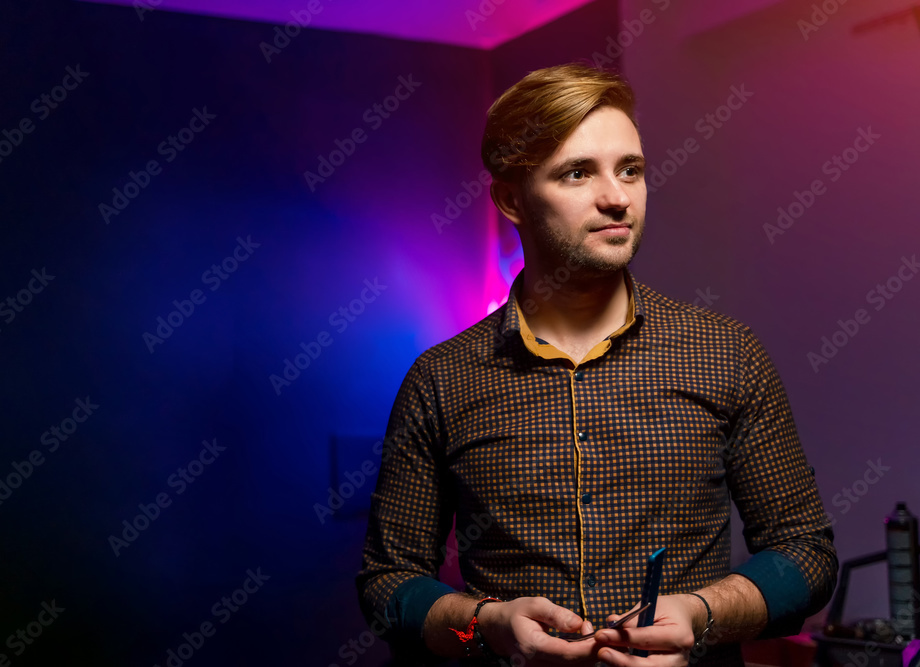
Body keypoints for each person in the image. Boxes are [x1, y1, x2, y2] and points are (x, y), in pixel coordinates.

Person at [357, 63, 837, 667]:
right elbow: (386, 584)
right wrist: (483, 626)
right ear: (511, 199)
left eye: (630, 170)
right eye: (578, 172)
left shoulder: (727, 354)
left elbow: (807, 554)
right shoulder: (440, 380)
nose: (616, 197)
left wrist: (702, 615)